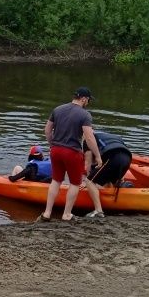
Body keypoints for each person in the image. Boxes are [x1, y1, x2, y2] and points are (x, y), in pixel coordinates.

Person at [38, 87, 104, 222]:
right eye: (88, 101)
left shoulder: (58, 109)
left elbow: (47, 130)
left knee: (56, 180)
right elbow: (89, 137)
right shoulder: (85, 115)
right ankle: (67, 214)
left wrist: (52, 144)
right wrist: (97, 156)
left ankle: (47, 213)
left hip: (55, 150)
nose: (88, 103)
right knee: (75, 183)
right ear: (84, 99)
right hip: (72, 152)